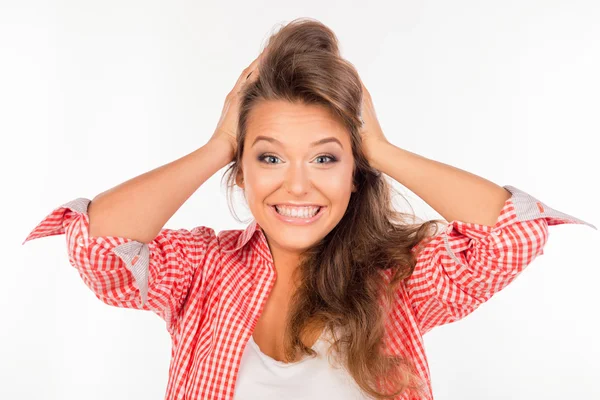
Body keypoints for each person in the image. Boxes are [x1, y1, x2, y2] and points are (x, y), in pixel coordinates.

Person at [22, 18, 596, 400]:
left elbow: (512, 234)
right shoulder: (200, 269)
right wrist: (217, 144)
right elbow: (97, 247)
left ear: (355, 172)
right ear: (242, 169)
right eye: (270, 159)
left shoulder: (398, 278)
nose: (297, 187)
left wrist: (384, 149)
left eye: (325, 160)